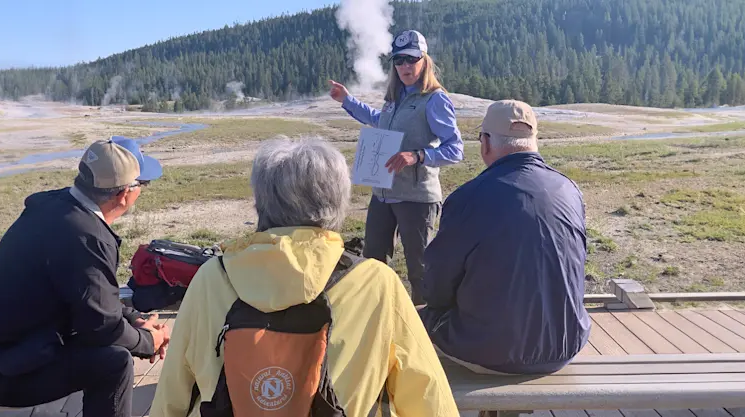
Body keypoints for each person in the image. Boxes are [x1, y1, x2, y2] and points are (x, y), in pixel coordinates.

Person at [149, 137, 459, 417]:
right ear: (337, 201)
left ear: (260, 202)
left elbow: (173, 392)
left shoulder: (212, 278)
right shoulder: (376, 282)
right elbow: (426, 395)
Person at [0, 136, 170, 417]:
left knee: (114, 349)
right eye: (142, 185)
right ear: (124, 193)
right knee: (113, 363)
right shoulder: (87, 237)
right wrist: (149, 340)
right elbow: (101, 327)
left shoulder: (54, 207)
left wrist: (133, 319)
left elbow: (92, 300)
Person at [419, 100, 591, 375]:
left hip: (488, 352)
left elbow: (437, 285)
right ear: (534, 141)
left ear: (485, 143)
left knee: (418, 319)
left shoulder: (468, 198)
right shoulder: (568, 189)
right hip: (566, 346)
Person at [328, 29, 463, 305]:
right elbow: (380, 121)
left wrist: (418, 156)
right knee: (373, 262)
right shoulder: (395, 97)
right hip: (383, 194)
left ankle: (426, 331)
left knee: (420, 270)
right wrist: (346, 100)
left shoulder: (434, 99)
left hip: (416, 197)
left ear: (424, 61)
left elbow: (455, 148)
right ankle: (380, 319)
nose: (404, 67)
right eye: (399, 61)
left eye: (411, 60)